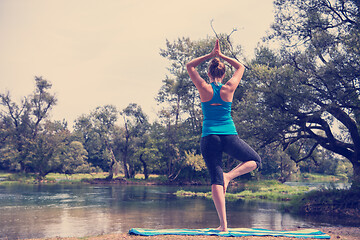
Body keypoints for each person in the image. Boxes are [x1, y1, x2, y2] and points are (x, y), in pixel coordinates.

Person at [186, 39, 261, 232]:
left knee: (215, 179)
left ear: (209, 73)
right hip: (229, 136)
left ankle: (224, 226)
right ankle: (229, 176)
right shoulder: (229, 87)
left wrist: (211, 55)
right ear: (223, 73)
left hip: (209, 137)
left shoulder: (203, 87)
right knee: (255, 160)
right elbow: (241, 66)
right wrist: (222, 55)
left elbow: (189, 65)